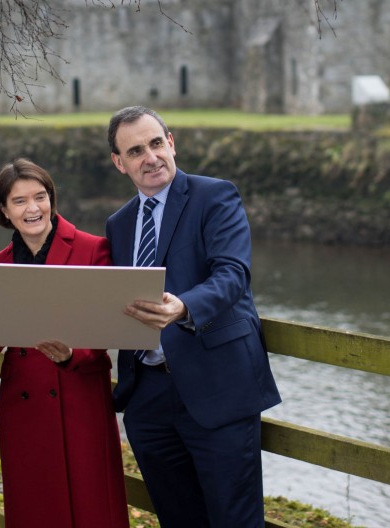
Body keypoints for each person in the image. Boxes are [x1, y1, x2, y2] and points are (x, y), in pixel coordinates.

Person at [105, 106, 281, 528]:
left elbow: (232, 274)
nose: (150, 157)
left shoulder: (215, 195)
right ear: (119, 162)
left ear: (171, 142)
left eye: (155, 143)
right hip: (148, 400)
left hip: (217, 388)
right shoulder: (119, 224)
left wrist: (183, 306)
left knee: (234, 520)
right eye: (135, 151)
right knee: (178, 518)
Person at [0, 159, 129, 528]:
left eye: (39, 196)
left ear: (52, 199)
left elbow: (107, 327)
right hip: (25, 405)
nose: (32, 208)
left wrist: (73, 354)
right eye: (19, 201)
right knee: (35, 507)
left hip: (80, 398)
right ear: (4, 210)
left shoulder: (94, 249)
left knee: (91, 507)